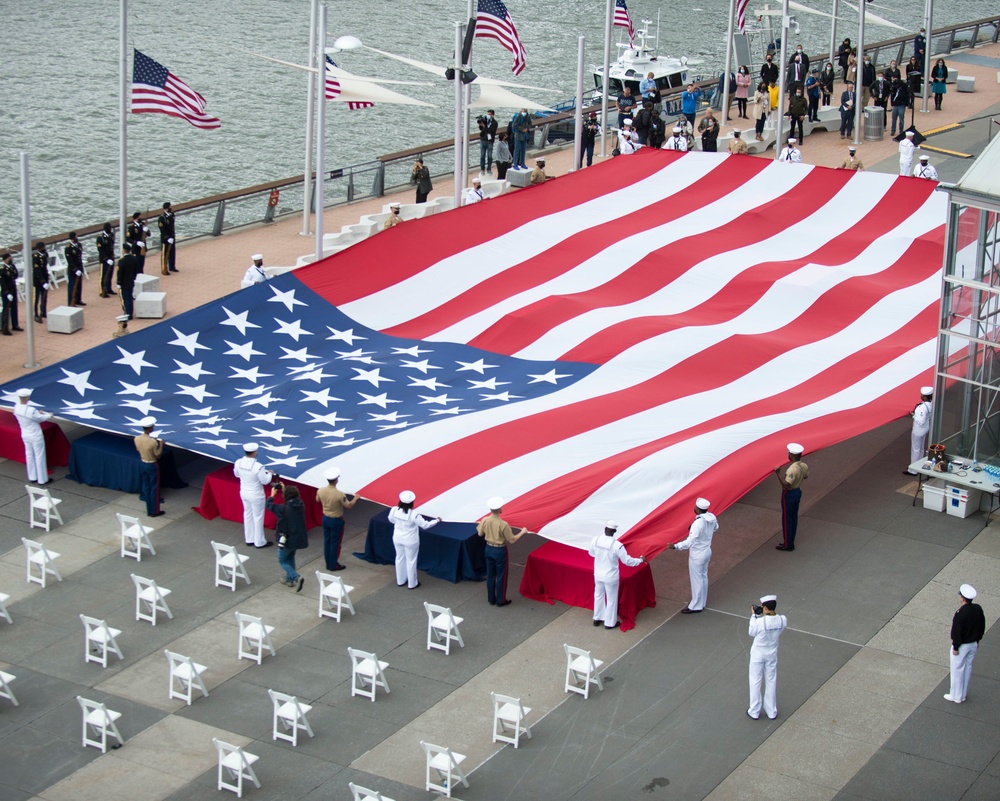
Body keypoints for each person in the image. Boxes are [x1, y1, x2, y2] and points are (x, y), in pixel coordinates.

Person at [589, 520, 645, 629]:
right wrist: (640, 560)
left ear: (605, 529)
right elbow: (627, 561)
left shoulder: (595, 540)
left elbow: (591, 553)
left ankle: (597, 618)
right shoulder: (617, 545)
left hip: (598, 573)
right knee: (611, 599)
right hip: (611, 576)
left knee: (598, 595)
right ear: (615, 531)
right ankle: (609, 623)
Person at [668, 498, 718, 614]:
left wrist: (676, 546)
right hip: (706, 551)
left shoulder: (698, 523)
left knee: (696, 580)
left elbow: (690, 541)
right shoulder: (711, 518)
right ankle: (702, 602)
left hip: (697, 554)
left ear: (697, 509)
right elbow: (716, 528)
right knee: (703, 577)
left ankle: (696, 605)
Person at [477, 496, 528, 606]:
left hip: (488, 548)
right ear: (500, 509)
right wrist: (522, 532)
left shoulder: (485, 520)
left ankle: (491, 599)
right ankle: (501, 600)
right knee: (501, 576)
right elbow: (512, 540)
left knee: (490, 575)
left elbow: (480, 534)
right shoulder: (503, 524)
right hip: (499, 550)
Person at [388, 490, 440, 589]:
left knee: (399, 558)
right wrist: (436, 520)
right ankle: (412, 583)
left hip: (397, 538)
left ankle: (400, 580)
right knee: (411, 561)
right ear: (412, 502)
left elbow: (391, 520)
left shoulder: (394, 510)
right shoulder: (414, 514)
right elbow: (425, 525)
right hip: (410, 540)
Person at [747, 594, 787, 720]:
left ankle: (754, 710)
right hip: (772, 654)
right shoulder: (782, 620)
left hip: (758, 654)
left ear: (764, 608)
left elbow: (751, 632)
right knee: (771, 680)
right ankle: (771, 711)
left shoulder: (759, 621)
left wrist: (754, 616)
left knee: (755, 681)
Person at [946, 584, 986, 704]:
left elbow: (957, 631)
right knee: (967, 668)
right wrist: (978, 640)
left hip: (962, 645)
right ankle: (963, 694)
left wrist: (956, 646)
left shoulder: (960, 613)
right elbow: (981, 626)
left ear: (962, 598)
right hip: (973, 643)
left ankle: (956, 695)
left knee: (957, 670)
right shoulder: (978, 609)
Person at [266, 482, 308, 591]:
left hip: (287, 539)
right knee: (290, 557)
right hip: (297, 538)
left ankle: (296, 577)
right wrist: (284, 489)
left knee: (282, 560)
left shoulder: (282, 509)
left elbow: (269, 506)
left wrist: (272, 495)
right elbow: (290, 501)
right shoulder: (301, 504)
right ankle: (289, 580)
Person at [234, 442, 274, 548]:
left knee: (247, 514)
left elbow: (236, 474)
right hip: (256, 495)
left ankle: (249, 538)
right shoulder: (258, 467)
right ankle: (259, 542)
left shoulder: (238, 462)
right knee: (258, 517)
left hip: (244, 492)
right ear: (255, 452)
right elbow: (265, 481)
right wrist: (270, 473)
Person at [317, 466, 356, 571]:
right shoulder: (339, 494)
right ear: (337, 480)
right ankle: (333, 564)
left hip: (325, 518)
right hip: (336, 520)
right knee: (335, 543)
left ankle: (328, 563)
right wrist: (356, 498)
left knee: (327, 541)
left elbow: (317, 500)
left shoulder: (320, 490)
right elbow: (349, 505)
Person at [13, 387, 52, 484]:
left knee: (29, 455)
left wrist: (37, 413)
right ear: (27, 398)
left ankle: (32, 477)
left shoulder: (16, 407)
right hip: (35, 435)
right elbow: (41, 419)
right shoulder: (31, 410)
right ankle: (43, 479)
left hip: (25, 434)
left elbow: (32, 416)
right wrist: (49, 415)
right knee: (39, 456)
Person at [774, 443, 808, 551]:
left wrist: (778, 473)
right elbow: (806, 476)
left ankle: (788, 544)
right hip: (797, 491)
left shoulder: (792, 470)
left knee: (787, 519)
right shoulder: (804, 466)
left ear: (793, 455)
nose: (788, 455)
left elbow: (786, 484)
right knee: (793, 518)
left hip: (789, 493)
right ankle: (790, 540)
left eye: (789, 453)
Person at [134, 416, 164, 517]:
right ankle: (154, 511)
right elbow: (158, 455)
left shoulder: (137, 439)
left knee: (146, 487)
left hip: (143, 463)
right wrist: (161, 445)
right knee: (154, 488)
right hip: (152, 464)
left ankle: (149, 509)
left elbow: (140, 449)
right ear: (150, 428)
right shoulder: (153, 442)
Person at [905, 386, 933, 474]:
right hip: (925, 428)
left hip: (919, 430)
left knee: (915, 449)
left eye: (923, 395)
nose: (921, 396)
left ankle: (913, 470)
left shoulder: (922, 407)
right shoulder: (931, 403)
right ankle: (919, 465)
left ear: (925, 397)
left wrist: (913, 415)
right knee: (921, 448)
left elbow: (920, 421)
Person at [117, 243, 139, 321]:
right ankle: (131, 313)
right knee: (130, 298)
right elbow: (136, 270)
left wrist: (119, 282)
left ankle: (127, 313)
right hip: (131, 281)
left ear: (124, 251)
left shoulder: (122, 261)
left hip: (124, 282)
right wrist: (133, 277)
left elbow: (120, 273)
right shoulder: (134, 259)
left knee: (125, 298)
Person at [0, 253, 21, 335]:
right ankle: (5, 328)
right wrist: (7, 293)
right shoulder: (2, 269)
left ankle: (15, 325)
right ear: (5, 259)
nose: (10, 259)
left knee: (14, 308)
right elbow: (3, 283)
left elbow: (15, 275)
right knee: (6, 310)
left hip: (13, 290)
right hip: (7, 293)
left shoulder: (12, 267)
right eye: (9, 258)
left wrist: (13, 266)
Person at [64, 232, 85, 307]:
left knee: (79, 285)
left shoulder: (79, 245)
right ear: (73, 238)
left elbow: (79, 257)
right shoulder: (68, 248)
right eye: (76, 236)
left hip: (79, 268)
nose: (77, 237)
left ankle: (78, 299)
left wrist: (80, 269)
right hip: (73, 270)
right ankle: (71, 302)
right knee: (72, 286)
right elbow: (70, 261)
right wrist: (75, 270)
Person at [97, 222, 116, 298]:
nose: (110, 229)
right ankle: (102, 291)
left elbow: (111, 246)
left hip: (111, 258)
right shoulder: (100, 237)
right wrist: (106, 259)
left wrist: (111, 258)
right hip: (104, 260)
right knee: (103, 276)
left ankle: (109, 288)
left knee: (110, 274)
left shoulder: (111, 235)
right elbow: (100, 250)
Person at [32, 241, 50, 324]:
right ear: (40, 248)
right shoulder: (35, 257)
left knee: (44, 297)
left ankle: (43, 311)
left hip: (45, 278)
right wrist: (42, 281)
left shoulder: (45, 255)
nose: (44, 248)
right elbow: (37, 271)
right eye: (43, 247)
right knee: (37, 298)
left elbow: (45, 267)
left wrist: (46, 280)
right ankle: (36, 314)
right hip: (38, 280)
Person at [157, 201, 177, 275]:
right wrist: (167, 237)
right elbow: (162, 229)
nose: (170, 208)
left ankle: (172, 266)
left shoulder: (171, 215)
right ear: (166, 208)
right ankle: (164, 268)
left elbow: (172, 226)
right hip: (165, 239)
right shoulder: (162, 218)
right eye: (169, 207)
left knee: (172, 252)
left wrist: (172, 237)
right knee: (165, 254)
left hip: (172, 237)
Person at [478, 109, 498, 175]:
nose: (488, 116)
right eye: (487, 114)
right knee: (482, 156)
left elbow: (491, 131)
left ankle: (489, 169)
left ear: (492, 115)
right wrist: (481, 124)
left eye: (489, 114)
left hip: (490, 142)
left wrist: (484, 126)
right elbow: (481, 129)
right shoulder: (485, 120)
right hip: (483, 140)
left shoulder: (495, 123)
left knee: (489, 156)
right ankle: (482, 169)